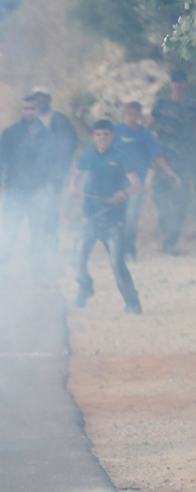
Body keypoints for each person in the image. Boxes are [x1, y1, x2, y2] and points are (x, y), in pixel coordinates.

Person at [76, 101, 183, 258]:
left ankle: (129, 249)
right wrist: (82, 119)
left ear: (140, 116)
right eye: (129, 114)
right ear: (125, 115)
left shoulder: (145, 134)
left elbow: (157, 155)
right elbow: (96, 132)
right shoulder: (117, 130)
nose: (132, 118)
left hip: (135, 183)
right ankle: (114, 249)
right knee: (113, 217)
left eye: (135, 114)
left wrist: (170, 172)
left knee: (131, 218)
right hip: (114, 183)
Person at [68, 120, 143, 313]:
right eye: (99, 134)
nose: (102, 138)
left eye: (106, 134)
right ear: (94, 136)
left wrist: (124, 193)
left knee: (117, 265)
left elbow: (136, 185)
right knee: (77, 260)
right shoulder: (88, 155)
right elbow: (75, 175)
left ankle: (133, 303)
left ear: (112, 136)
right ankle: (85, 288)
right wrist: (73, 187)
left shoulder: (120, 157)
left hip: (114, 221)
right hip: (90, 218)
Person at [0, 95, 57, 283]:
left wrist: (55, 188)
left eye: (32, 109)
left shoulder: (48, 136)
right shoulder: (10, 133)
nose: (29, 112)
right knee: (9, 232)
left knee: (38, 234)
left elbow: (55, 164)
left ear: (38, 110)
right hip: (15, 191)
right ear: (21, 110)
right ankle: (0, 271)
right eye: (26, 108)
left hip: (39, 193)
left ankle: (38, 273)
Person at [147, 69, 196, 255]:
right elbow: (147, 127)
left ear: (185, 84)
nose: (178, 85)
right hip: (163, 159)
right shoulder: (161, 103)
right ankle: (166, 227)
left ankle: (170, 242)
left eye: (181, 81)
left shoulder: (193, 105)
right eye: (175, 81)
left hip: (185, 159)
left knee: (182, 200)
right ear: (170, 84)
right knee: (159, 196)